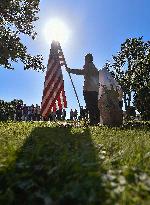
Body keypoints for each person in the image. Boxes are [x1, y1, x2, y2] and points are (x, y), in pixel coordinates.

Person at [66, 53, 99, 125]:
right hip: (95, 90)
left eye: (85, 59)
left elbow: (81, 71)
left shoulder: (89, 66)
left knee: (90, 106)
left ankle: (93, 121)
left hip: (89, 90)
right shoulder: (94, 68)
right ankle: (96, 120)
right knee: (94, 106)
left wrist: (70, 70)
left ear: (88, 59)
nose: (84, 60)